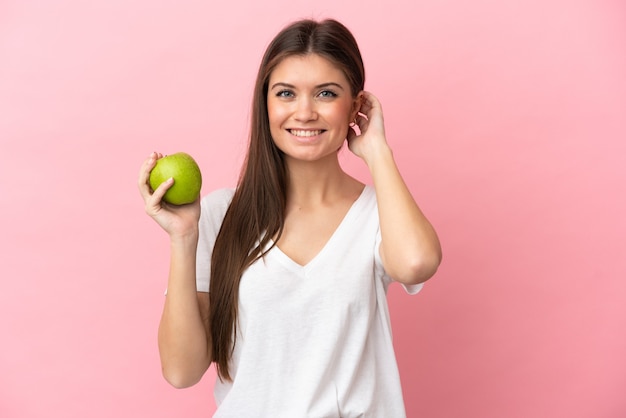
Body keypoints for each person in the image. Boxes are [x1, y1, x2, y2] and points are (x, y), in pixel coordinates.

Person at [138, 18, 441, 417]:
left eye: (326, 94)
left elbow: (417, 264)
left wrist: (377, 150)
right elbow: (181, 371)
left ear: (355, 106)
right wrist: (183, 237)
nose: (304, 111)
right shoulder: (219, 214)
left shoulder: (379, 213)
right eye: (286, 93)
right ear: (266, 104)